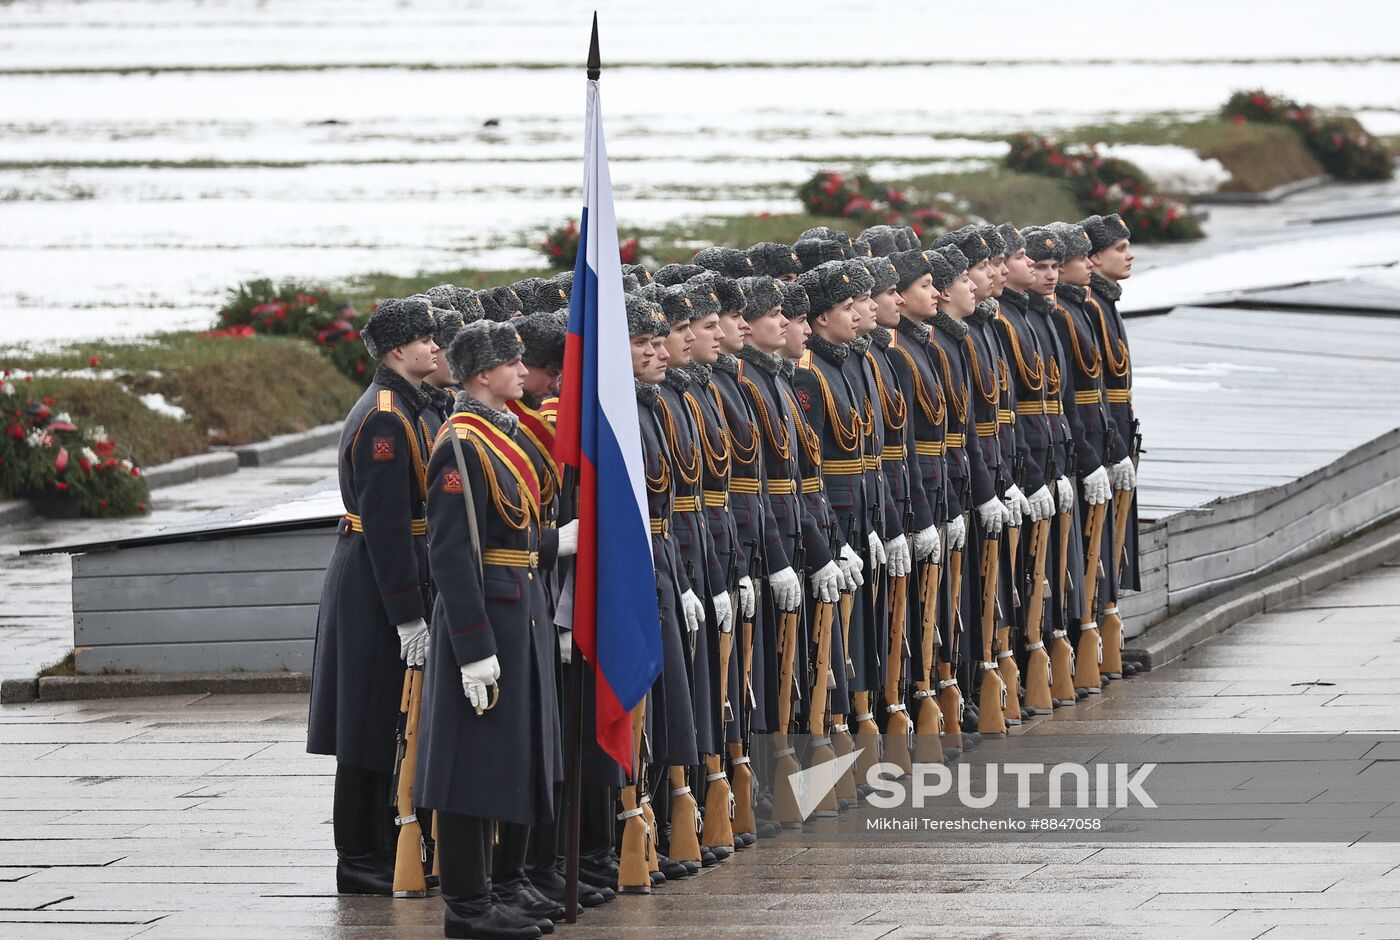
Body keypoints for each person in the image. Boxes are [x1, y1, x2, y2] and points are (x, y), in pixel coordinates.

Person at [417, 319, 573, 939]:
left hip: (521, 604)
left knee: (515, 756)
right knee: (470, 767)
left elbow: (510, 534)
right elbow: (453, 555)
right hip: (486, 615)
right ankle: (469, 906)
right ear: (483, 374)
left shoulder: (498, 434)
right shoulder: (461, 444)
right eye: (511, 362)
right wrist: (473, 648)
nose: (522, 370)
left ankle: (505, 885)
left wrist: (554, 545)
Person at [307, 297, 439, 897]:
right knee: (367, 723)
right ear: (395, 352)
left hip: (392, 570)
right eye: (424, 339)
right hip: (375, 580)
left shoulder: (409, 403)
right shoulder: (386, 417)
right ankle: (358, 855)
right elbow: (386, 525)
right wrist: (408, 615)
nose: (436, 347)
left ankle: (381, 844)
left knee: (389, 718)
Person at [1047, 220, 1132, 695]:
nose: (1129, 255)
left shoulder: (1090, 305)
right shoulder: (1073, 309)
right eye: (1118, 248)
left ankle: (1095, 642)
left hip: (1094, 441)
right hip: (1065, 451)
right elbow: (1071, 395)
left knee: (1097, 557)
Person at [1082, 212, 1141, 678]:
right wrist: (1109, 449)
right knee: (1089, 550)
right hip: (1096, 441)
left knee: (1108, 547)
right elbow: (1086, 391)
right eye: (1120, 248)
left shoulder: (1104, 303)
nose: (1129, 255)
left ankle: (1106, 639)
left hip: (1113, 434)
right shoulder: (1087, 308)